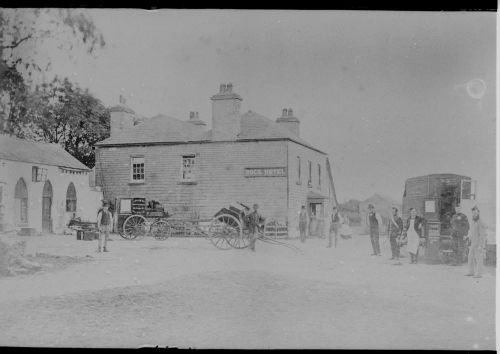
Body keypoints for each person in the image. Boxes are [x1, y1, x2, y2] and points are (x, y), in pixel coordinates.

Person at [465, 206, 487, 278]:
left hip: (478, 244)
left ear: (478, 213)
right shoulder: (473, 221)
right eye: (473, 213)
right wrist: (468, 237)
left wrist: (481, 245)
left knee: (478, 259)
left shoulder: (481, 222)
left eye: (475, 213)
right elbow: (471, 231)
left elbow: (482, 235)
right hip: (472, 243)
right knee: (470, 257)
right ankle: (471, 272)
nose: (474, 214)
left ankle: (479, 274)